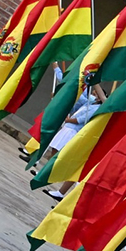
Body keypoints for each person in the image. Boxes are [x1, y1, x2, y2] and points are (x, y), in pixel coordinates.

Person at [40, 69, 107, 198]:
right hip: (74, 130)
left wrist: (95, 80)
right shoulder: (91, 102)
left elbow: (102, 100)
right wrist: (60, 94)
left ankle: (57, 184)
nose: (94, 94)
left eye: (96, 92)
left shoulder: (101, 108)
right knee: (58, 153)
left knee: (75, 166)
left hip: (89, 137)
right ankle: (52, 181)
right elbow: (75, 93)